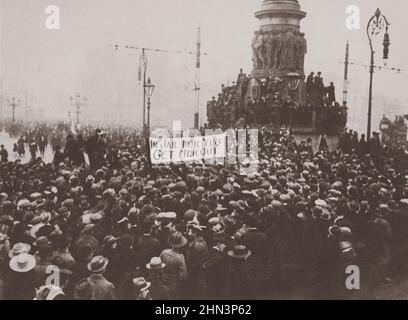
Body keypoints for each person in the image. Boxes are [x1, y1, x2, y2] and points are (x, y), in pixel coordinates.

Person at [160, 231, 188, 299]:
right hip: (174, 285)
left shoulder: (164, 252)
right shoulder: (180, 257)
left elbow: (159, 266)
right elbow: (183, 276)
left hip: (163, 281)